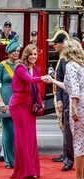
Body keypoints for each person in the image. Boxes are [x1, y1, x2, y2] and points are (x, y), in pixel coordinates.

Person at [45, 38, 84, 179]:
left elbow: (73, 89)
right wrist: (53, 81)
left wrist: (73, 107)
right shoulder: (81, 65)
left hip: (79, 106)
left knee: (79, 143)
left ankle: (80, 178)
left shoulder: (72, 66)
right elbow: (68, 86)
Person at [9, 44, 46, 179]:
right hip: (18, 106)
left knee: (31, 139)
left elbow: (35, 89)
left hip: (29, 106)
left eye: (35, 54)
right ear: (26, 55)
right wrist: (43, 78)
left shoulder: (35, 68)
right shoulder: (20, 68)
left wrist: (40, 104)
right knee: (23, 139)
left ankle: (32, 170)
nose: (34, 56)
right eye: (31, 54)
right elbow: (30, 80)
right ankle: (24, 172)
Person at [47, 30, 74, 171]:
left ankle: (69, 158)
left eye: (56, 43)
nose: (53, 46)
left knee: (69, 129)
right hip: (65, 96)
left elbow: (62, 81)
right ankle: (67, 155)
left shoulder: (66, 60)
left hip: (68, 97)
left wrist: (60, 100)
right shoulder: (63, 59)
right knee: (66, 128)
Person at [0, 35, 21, 168]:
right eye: (14, 51)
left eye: (18, 51)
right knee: (8, 131)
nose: (16, 53)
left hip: (19, 100)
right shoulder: (2, 65)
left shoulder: (20, 65)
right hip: (5, 99)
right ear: (9, 52)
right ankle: (9, 161)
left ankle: (17, 160)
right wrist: (1, 102)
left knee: (17, 131)